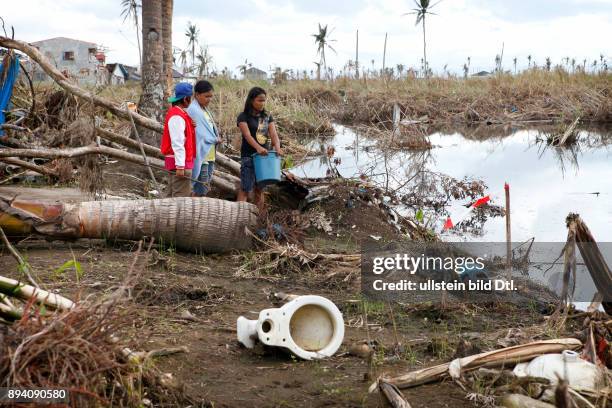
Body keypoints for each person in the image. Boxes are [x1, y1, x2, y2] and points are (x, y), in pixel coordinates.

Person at [236, 87, 282, 212]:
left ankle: (258, 217)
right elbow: (247, 136)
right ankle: (238, 216)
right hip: (249, 157)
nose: (262, 103)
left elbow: (273, 135)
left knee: (260, 188)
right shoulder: (243, 116)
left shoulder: (267, 116)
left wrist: (277, 147)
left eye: (264, 101)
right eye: (259, 100)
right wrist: (258, 148)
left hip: (264, 158)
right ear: (252, 100)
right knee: (245, 188)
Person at [160, 82, 196, 197]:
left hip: (178, 161)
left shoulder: (180, 114)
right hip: (179, 163)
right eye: (190, 98)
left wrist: (191, 126)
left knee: (171, 196)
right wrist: (180, 166)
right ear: (185, 99)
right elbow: (178, 142)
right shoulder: (177, 116)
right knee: (180, 199)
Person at [187, 80, 220, 197]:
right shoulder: (193, 110)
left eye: (211, 96)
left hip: (209, 154)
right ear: (197, 95)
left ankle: (198, 211)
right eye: (206, 96)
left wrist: (215, 137)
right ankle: (196, 212)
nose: (209, 99)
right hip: (201, 154)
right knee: (200, 187)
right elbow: (197, 134)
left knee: (204, 186)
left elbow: (208, 131)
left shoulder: (205, 110)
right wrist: (213, 139)